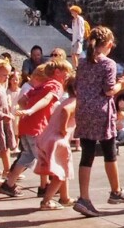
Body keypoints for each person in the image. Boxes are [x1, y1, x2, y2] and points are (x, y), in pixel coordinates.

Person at [73, 27, 124, 217]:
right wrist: (122, 85)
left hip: (83, 110)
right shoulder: (108, 63)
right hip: (101, 112)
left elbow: (77, 86)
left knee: (87, 154)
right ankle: (116, 191)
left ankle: (84, 197)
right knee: (110, 151)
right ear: (108, 44)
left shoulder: (83, 62)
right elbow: (109, 90)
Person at [0, 59, 69, 198]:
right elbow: (47, 99)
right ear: (57, 72)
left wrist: (27, 111)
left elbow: (21, 101)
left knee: (28, 156)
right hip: (37, 127)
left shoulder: (39, 86)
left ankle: (9, 184)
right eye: (67, 72)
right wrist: (31, 111)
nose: (69, 75)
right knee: (46, 159)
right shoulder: (55, 85)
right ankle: (49, 191)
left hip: (26, 125)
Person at [34, 76, 78, 210]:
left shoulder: (65, 100)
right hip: (57, 140)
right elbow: (66, 112)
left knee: (61, 169)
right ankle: (46, 201)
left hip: (46, 138)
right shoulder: (75, 102)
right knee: (61, 173)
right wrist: (63, 129)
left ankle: (64, 197)